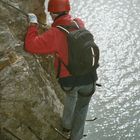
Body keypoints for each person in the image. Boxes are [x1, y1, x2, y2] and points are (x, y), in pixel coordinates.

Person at [25, 0, 98, 139]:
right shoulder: (79, 23)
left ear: (52, 13)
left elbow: (31, 45)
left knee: (71, 95)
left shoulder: (54, 34)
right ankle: (76, 137)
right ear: (67, 10)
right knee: (82, 108)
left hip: (69, 81)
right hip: (90, 77)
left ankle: (66, 126)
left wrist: (33, 25)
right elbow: (73, 23)